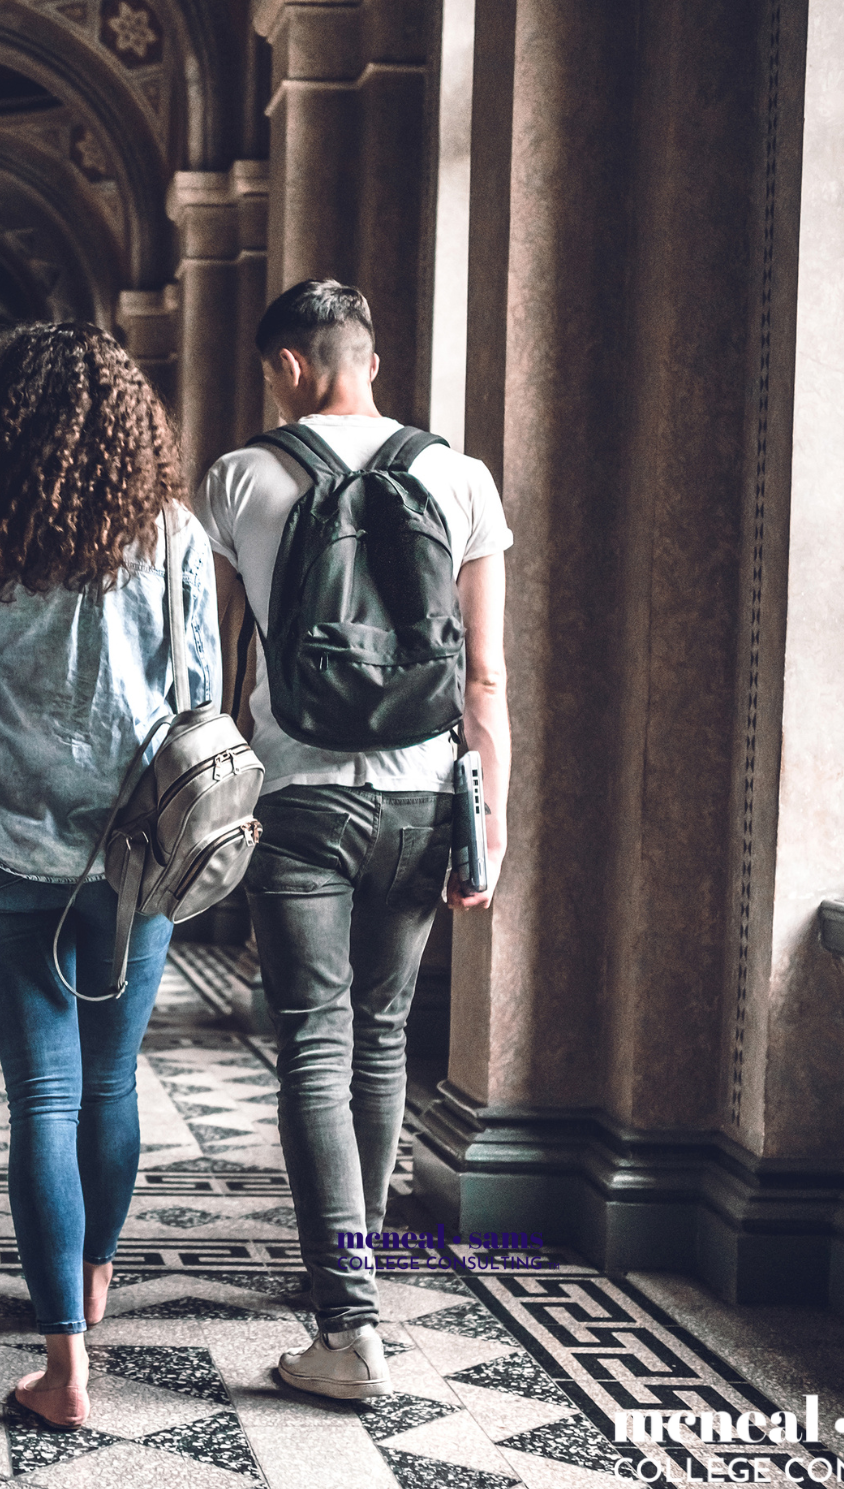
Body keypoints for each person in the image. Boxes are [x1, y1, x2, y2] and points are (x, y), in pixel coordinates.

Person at [196, 279, 512, 1403]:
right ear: (370, 360)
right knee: (380, 1040)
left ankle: (347, 1316)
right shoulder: (457, 476)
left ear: (285, 365)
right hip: (425, 791)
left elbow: (220, 651)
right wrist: (493, 819)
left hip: (301, 796)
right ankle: (353, 1275)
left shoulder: (241, 477)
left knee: (314, 1048)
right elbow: (485, 673)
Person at [0, 323, 218, 1430]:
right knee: (109, 1082)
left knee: (41, 1097)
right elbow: (196, 696)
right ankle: (93, 1276)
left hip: (9, 850)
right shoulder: (172, 535)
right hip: (138, 854)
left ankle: (65, 1363)